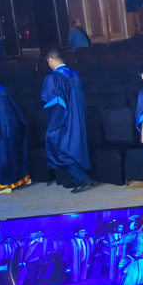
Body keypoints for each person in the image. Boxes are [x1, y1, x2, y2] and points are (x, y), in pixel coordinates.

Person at [41, 48, 94, 192]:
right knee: (74, 147)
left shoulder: (53, 78)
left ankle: (82, 178)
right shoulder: (74, 74)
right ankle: (75, 179)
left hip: (64, 119)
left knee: (59, 148)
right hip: (78, 117)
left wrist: (53, 122)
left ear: (50, 60)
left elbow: (52, 101)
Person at [0, 65, 29, 193]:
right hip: (11, 124)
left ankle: (5, 185)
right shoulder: (2, 89)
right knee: (13, 153)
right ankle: (21, 179)